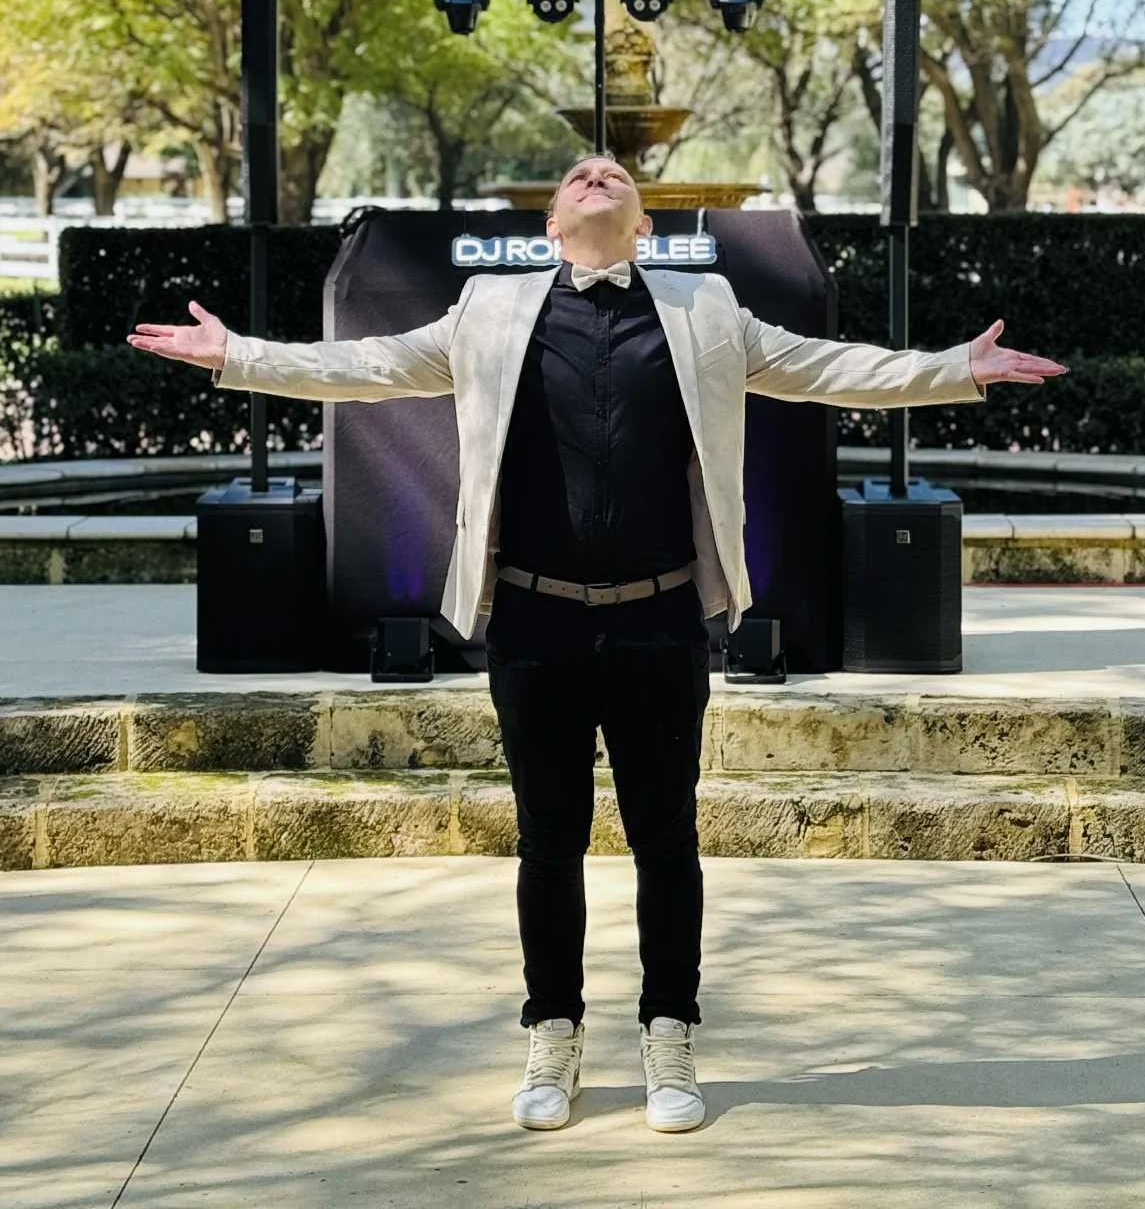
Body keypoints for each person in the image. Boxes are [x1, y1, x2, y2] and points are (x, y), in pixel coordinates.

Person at [127, 156, 1066, 1135]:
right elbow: (367, 366)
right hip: (534, 621)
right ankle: (553, 1029)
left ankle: (670, 1031)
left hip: (662, 617)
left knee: (668, 842)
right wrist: (240, 354)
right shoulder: (488, 308)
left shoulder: (707, 308)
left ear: (644, 227)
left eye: (616, 173)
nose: (596, 171)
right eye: (579, 173)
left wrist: (956, 367)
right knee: (550, 841)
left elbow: (829, 366)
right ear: (551, 229)